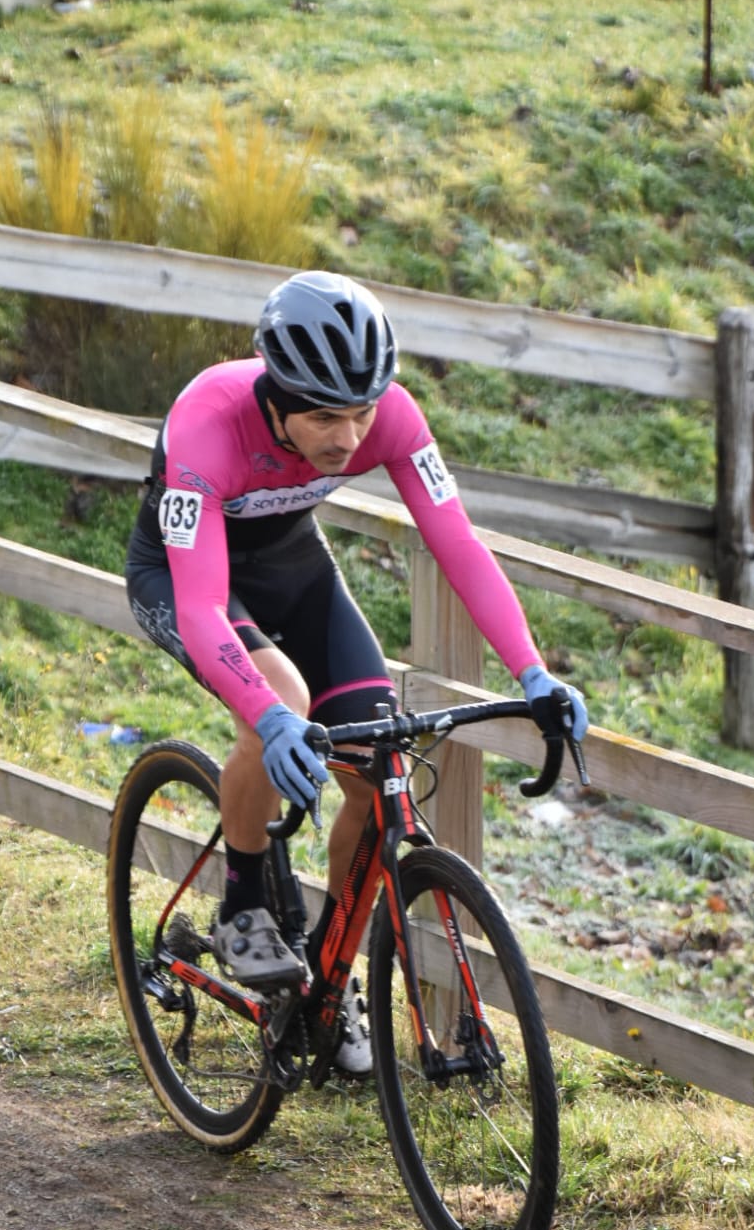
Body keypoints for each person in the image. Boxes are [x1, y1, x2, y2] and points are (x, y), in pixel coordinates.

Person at [125, 271, 587, 1076]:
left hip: (295, 568)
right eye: (324, 416)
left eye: (362, 411)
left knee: (379, 777)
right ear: (276, 394)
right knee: (286, 701)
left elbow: (458, 545)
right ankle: (240, 901)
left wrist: (533, 670)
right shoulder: (209, 420)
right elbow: (201, 608)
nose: (347, 437)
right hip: (186, 577)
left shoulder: (391, 416)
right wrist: (269, 718)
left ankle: (325, 986)